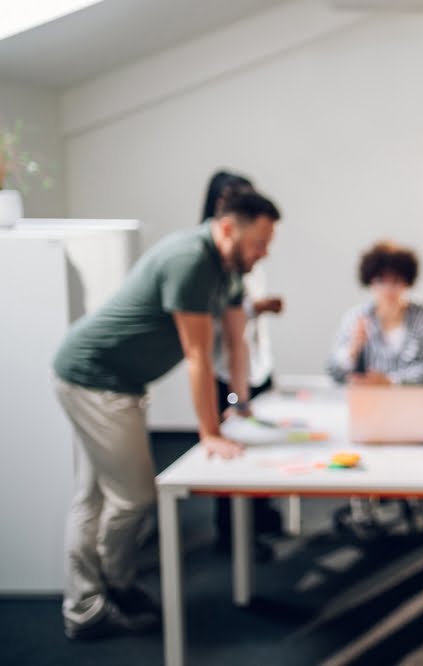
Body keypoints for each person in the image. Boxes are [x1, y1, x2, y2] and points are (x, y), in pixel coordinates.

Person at [53, 189, 281, 640]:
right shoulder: (190, 260)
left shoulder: (227, 268)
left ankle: (86, 602)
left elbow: (233, 339)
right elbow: (197, 355)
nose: (264, 252)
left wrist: (242, 404)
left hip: (114, 380)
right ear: (229, 228)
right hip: (95, 377)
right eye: (259, 243)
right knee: (133, 496)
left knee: (96, 496)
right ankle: (111, 592)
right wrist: (209, 433)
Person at [199, 171, 285, 553]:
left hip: (251, 366)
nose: (263, 251)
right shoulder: (206, 263)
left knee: (257, 446)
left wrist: (243, 396)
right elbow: (210, 344)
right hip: (225, 368)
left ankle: (257, 522)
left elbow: (239, 336)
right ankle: (232, 537)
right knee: (229, 451)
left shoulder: (239, 264)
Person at [327, 241, 423, 386]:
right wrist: (352, 350)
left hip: (412, 403)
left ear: (407, 282)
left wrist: (389, 381)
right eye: (381, 281)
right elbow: (334, 372)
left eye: (396, 281)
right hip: (367, 402)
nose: (388, 289)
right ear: (370, 282)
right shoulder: (356, 319)